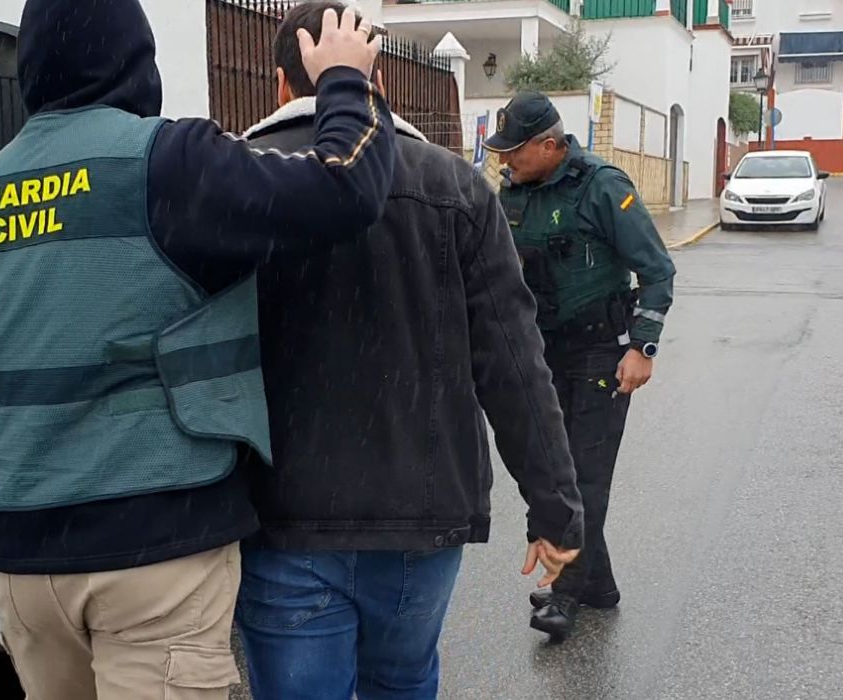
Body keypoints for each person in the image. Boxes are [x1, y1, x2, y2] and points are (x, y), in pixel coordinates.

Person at [0, 1, 395, 697]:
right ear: (134, 59)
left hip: (19, 556)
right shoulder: (168, 163)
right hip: (154, 552)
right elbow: (347, 186)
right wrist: (346, 81)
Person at [233, 4, 585, 698]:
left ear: (279, 87)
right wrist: (555, 508)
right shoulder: (456, 188)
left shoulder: (238, 180)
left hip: (281, 517)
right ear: (377, 81)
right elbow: (514, 361)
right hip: (420, 520)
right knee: (400, 683)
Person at [483, 91, 676, 642]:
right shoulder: (513, 192)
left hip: (601, 354)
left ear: (550, 145)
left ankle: (564, 593)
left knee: (583, 477)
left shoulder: (603, 187)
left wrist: (643, 347)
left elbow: (658, 271)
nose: (505, 161)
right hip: (543, 353)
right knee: (553, 469)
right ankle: (599, 586)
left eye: (515, 151)